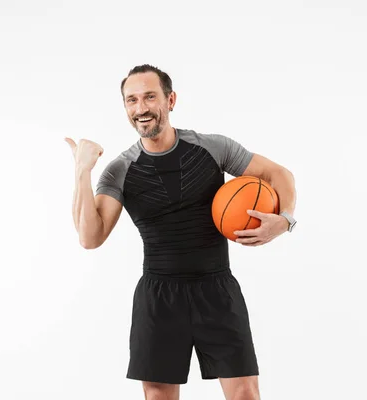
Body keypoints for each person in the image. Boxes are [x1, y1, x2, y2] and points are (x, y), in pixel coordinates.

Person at [65, 64, 297, 400]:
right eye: (131, 100)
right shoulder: (121, 170)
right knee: (158, 397)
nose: (141, 108)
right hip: (159, 298)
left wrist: (285, 220)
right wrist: (82, 171)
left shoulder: (212, 148)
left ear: (170, 100)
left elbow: (280, 174)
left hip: (217, 289)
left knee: (245, 392)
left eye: (149, 97)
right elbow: (91, 236)